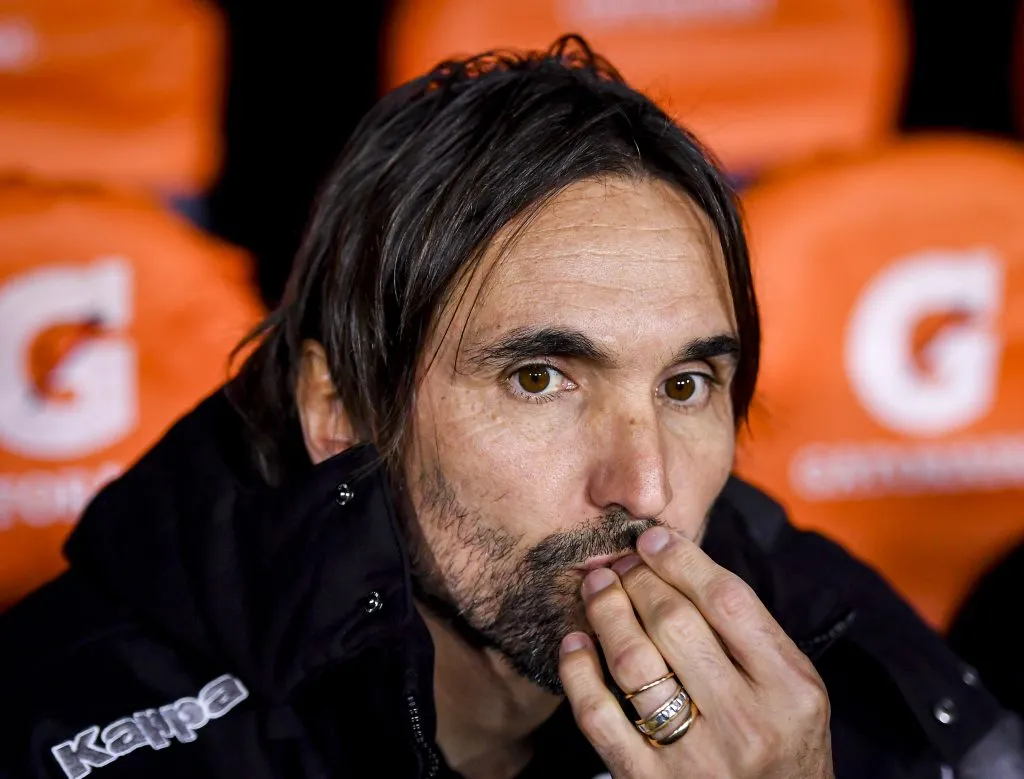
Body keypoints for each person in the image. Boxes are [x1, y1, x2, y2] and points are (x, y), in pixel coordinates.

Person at [1, 35, 1021, 779]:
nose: (647, 485)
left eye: (685, 383)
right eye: (540, 377)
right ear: (342, 407)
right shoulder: (73, 724)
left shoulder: (806, 618)